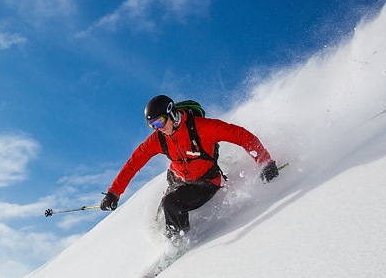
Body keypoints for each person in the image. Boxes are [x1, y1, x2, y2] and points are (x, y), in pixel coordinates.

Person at [101, 94, 280, 240]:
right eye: (152, 125)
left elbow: (240, 135)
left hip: (205, 181)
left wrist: (265, 161)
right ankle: (168, 239)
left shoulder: (203, 128)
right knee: (162, 212)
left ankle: (178, 244)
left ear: (171, 113)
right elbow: (134, 163)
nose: (158, 128)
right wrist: (113, 193)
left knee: (172, 203)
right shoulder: (159, 139)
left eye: (160, 122)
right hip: (178, 178)